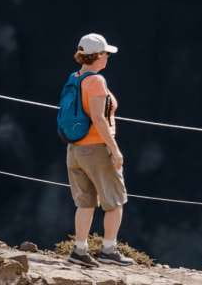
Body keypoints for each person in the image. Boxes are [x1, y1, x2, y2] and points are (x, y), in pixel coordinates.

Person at [63, 33, 134, 268]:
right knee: (115, 201)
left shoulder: (75, 77)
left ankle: (80, 250)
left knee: (85, 202)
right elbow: (99, 118)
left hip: (75, 149)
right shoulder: (96, 81)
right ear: (97, 56)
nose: (108, 58)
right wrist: (115, 150)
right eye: (106, 54)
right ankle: (109, 250)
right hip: (96, 148)